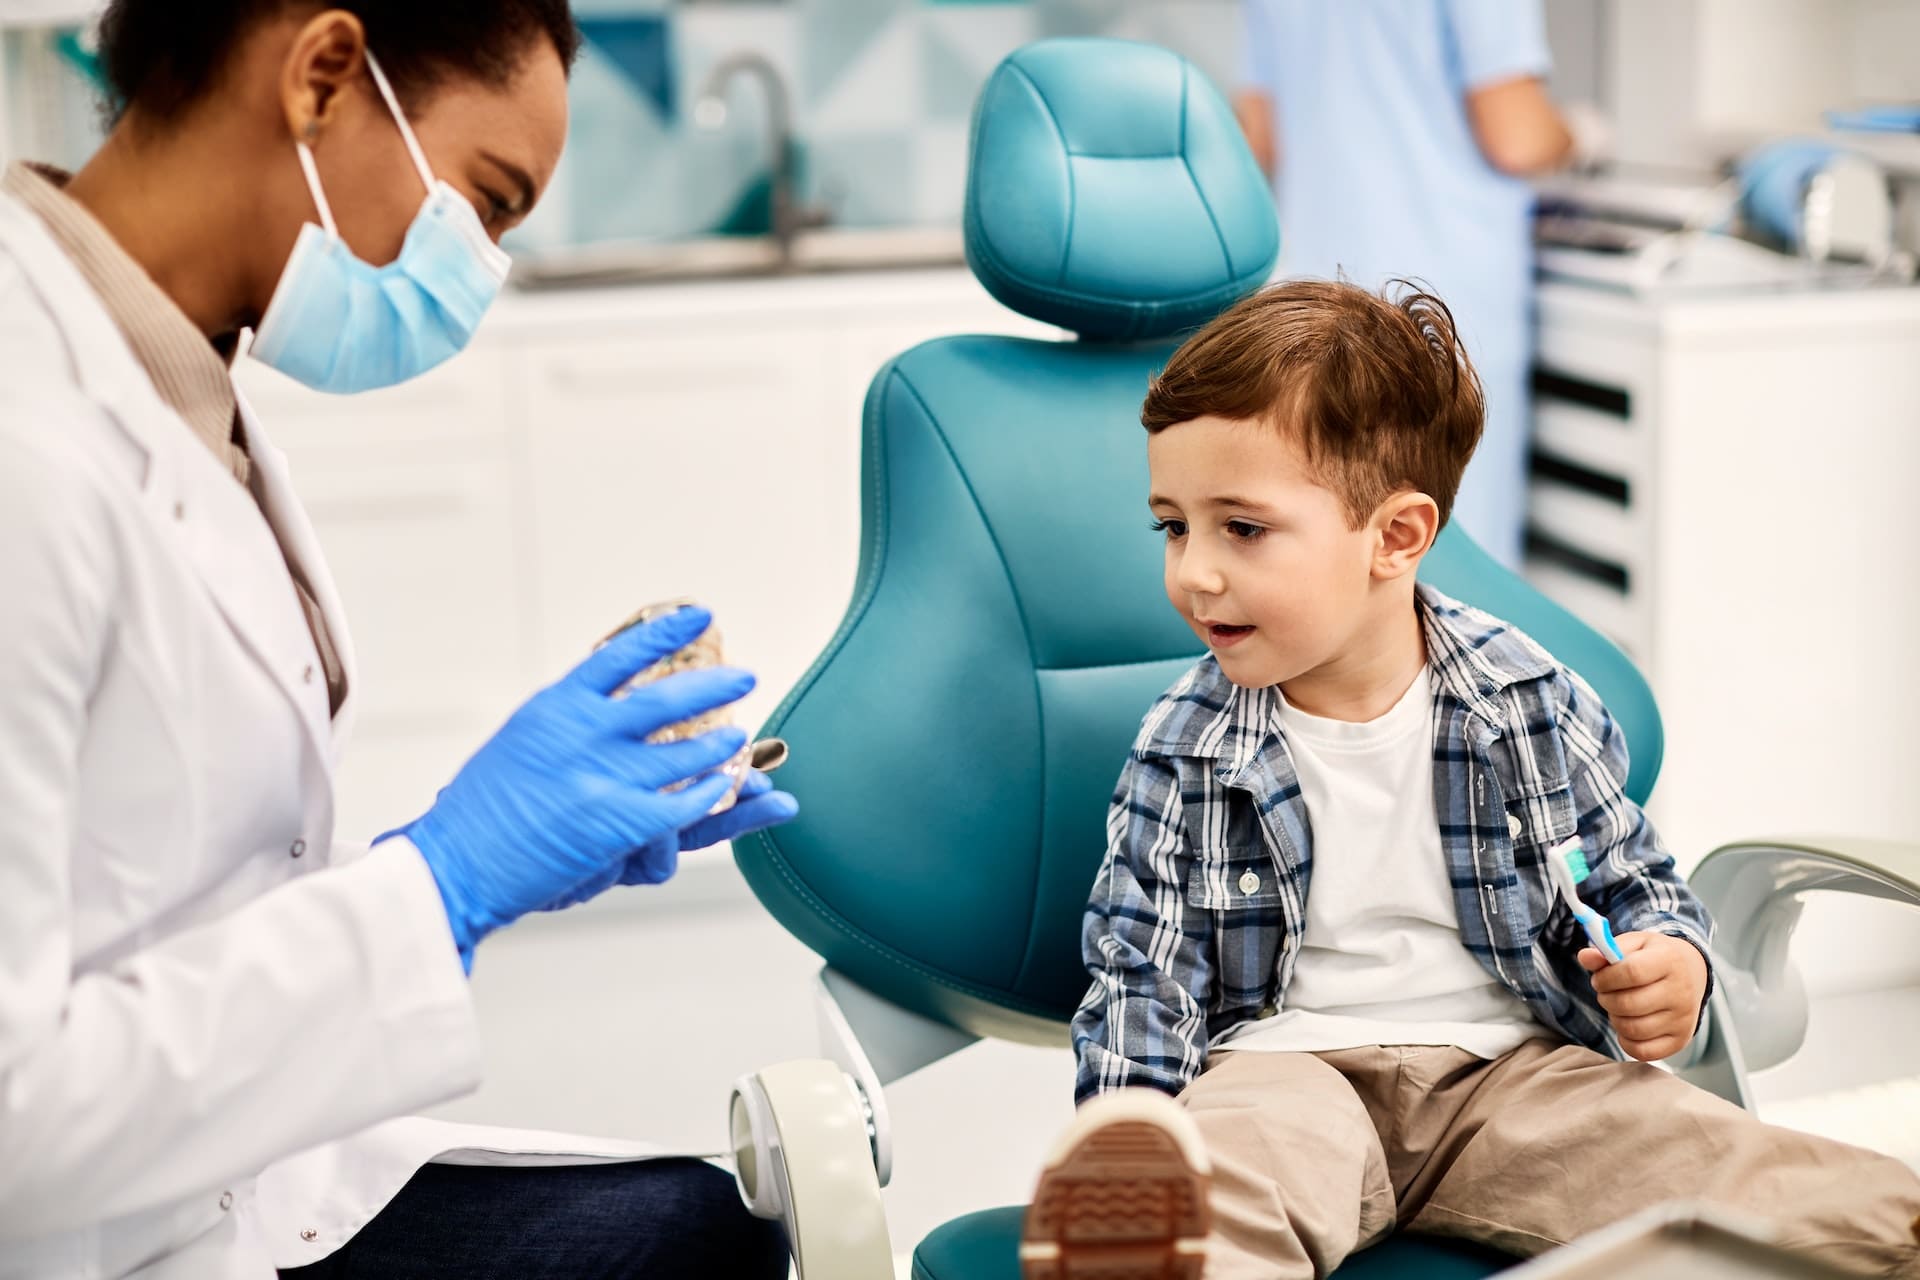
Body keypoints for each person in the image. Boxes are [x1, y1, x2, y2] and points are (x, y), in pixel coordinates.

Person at [0, 3, 795, 1277]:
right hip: (85, 1228)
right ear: (321, 74)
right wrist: (443, 881)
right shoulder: (25, 437)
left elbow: (152, 875)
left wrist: (491, 866)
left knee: (706, 1225)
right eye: (483, 202)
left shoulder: (179, 378)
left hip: (224, 1168)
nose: (477, 269)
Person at [1018, 281, 1920, 1279]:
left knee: (1798, 1195)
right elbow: (1142, 974)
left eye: (1240, 528)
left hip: (1515, 1078)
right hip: (1286, 1074)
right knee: (1213, 1192)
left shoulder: (1527, 698)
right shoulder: (1183, 745)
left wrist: (1679, 967)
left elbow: (1631, 880)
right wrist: (1132, 1121)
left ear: (1396, 537)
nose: (1193, 572)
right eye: (1173, 527)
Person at [1232, 0, 1588, 569]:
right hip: (1444, 302)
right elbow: (1516, 136)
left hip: (1317, 299)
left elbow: (1259, 135)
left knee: (1342, 546)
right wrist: (1579, 135)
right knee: (1458, 559)